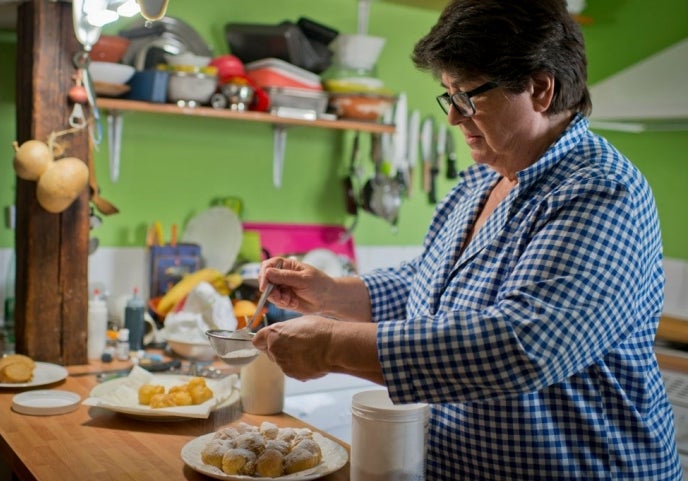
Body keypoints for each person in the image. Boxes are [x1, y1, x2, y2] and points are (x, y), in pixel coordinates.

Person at [252, 0, 683, 479]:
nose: (454, 118)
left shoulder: (602, 190)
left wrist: (334, 345)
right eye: (449, 95)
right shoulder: (482, 179)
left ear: (540, 88)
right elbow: (432, 282)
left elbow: (521, 344)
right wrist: (333, 294)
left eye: (467, 96)